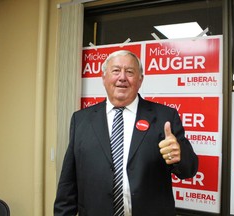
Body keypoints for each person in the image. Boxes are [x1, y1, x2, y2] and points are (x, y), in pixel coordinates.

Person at [54, 50, 198, 216]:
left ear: (140, 79)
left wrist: (180, 155)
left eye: (130, 72)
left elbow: (190, 169)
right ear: (104, 78)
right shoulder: (81, 120)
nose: (122, 77)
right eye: (115, 71)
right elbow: (68, 183)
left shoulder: (165, 117)